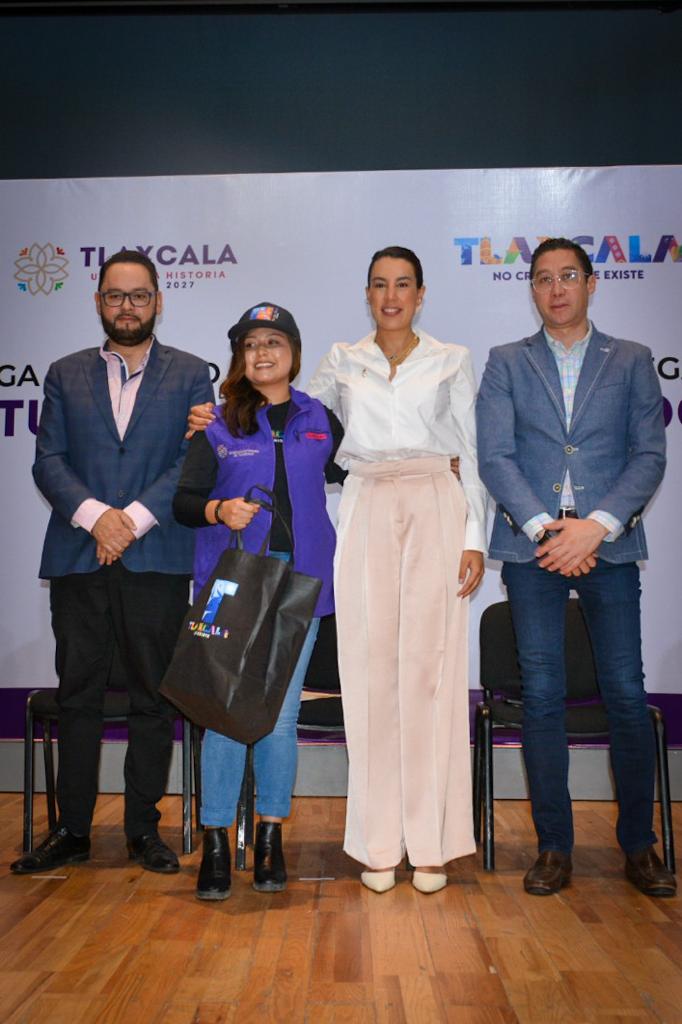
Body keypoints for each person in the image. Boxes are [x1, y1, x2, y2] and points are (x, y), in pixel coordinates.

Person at [189, 249, 487, 892]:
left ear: (420, 294)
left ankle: (430, 844)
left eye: (402, 285)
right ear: (367, 293)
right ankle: (377, 846)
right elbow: (283, 410)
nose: (391, 296)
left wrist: (474, 535)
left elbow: (470, 451)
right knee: (367, 679)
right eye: (379, 284)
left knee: (429, 678)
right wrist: (209, 414)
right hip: (356, 511)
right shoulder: (340, 364)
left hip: (431, 505)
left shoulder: (452, 359)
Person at [475, 237, 675, 898]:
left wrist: (595, 527)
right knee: (542, 696)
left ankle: (639, 845)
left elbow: (648, 456)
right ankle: (554, 847)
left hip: (608, 546)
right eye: (543, 278)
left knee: (625, 693)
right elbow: (495, 456)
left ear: (591, 283)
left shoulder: (633, 360)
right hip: (532, 547)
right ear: (531, 289)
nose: (556, 289)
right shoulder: (507, 361)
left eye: (568, 276)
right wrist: (546, 529)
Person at [11, 250, 214, 877]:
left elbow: (191, 464)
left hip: (156, 557)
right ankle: (72, 830)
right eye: (116, 295)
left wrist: (131, 521)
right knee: (79, 695)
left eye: (139, 295)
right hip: (79, 556)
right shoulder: (64, 373)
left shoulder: (190, 374)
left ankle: (142, 831)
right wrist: (99, 517)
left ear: (158, 301)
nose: (128, 306)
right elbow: (49, 461)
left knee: (154, 698)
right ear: (98, 302)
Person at [174, 302, 344, 900]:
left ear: (294, 352)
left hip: (300, 585)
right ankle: (217, 843)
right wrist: (220, 509)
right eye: (251, 345)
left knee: (280, 717)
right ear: (239, 358)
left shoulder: (321, 418)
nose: (262, 352)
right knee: (223, 715)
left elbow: (366, 473)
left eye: (274, 341)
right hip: (231, 586)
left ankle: (270, 838)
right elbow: (184, 503)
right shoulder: (214, 424)